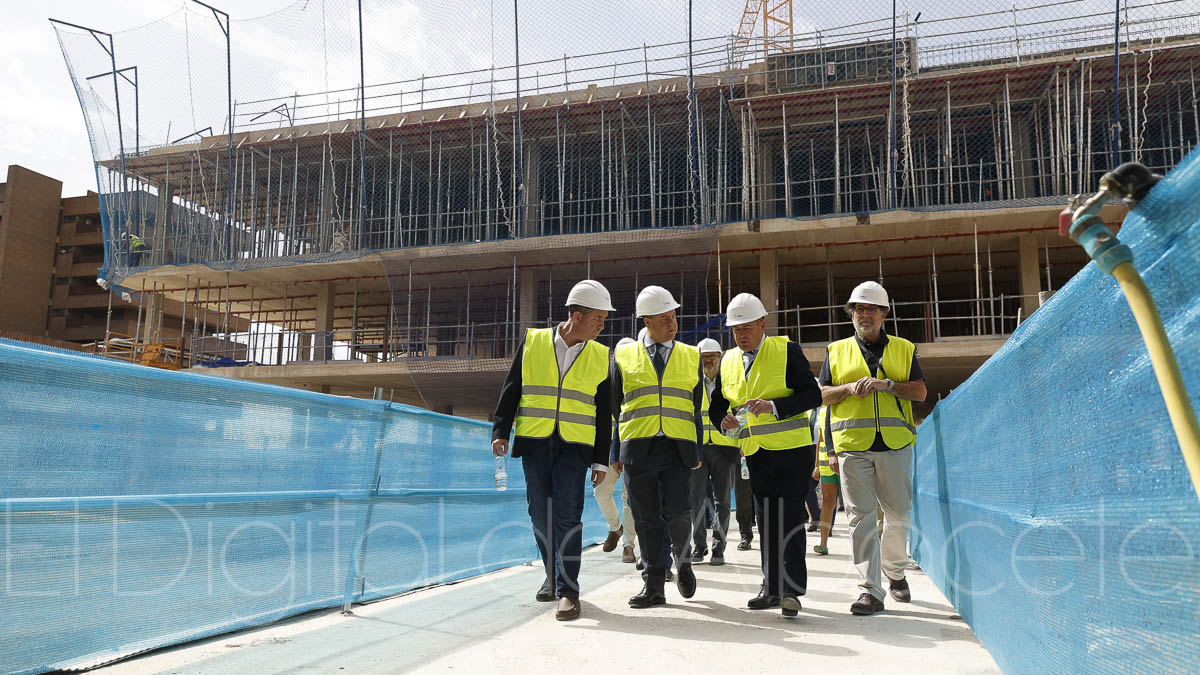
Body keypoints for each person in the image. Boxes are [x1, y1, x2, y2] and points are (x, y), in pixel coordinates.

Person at [491, 279, 615, 622]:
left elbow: (603, 413)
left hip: (575, 447)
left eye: (604, 319)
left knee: (567, 516)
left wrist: (600, 459)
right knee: (538, 515)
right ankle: (553, 574)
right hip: (534, 442)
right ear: (576, 315)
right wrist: (500, 429)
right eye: (597, 319)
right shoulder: (534, 341)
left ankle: (569, 592)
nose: (602, 326)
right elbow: (512, 387)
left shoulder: (601, 355)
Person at [708, 293, 821, 618]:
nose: (741, 334)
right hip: (755, 453)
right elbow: (718, 403)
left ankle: (791, 591)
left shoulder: (786, 350)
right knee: (766, 522)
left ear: (762, 324)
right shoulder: (727, 360)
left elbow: (812, 394)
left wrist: (774, 407)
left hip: (792, 452)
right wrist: (722, 419)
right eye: (735, 329)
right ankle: (770, 587)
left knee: (788, 520)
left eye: (747, 327)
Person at [819, 281, 927, 616]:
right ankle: (870, 590)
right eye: (859, 309)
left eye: (871, 309)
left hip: (895, 445)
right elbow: (821, 396)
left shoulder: (904, 349)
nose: (864, 314)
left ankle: (894, 571)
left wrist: (889, 386)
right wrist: (849, 389)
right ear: (852, 314)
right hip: (853, 446)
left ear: (884, 314)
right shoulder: (835, 352)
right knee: (860, 518)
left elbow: (921, 393)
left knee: (898, 516)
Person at [611, 286, 703, 608]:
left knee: (678, 512)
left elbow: (696, 408)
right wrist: (615, 454)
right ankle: (653, 585)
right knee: (646, 518)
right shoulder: (623, 356)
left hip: (678, 448)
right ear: (646, 321)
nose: (672, 323)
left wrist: (697, 452)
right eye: (664, 318)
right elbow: (616, 407)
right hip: (638, 448)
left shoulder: (692, 356)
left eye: (674, 316)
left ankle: (683, 559)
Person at [688, 337, 741, 566]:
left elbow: (742, 413)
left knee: (723, 502)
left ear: (720, 358)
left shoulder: (730, 381)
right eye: (704, 357)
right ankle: (700, 546)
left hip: (725, 448)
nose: (708, 360)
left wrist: (740, 442)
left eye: (712, 356)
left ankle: (719, 548)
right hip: (698, 450)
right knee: (696, 500)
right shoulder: (690, 382)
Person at [598, 337, 639, 564]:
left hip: (630, 447)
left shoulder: (637, 383)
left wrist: (619, 454)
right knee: (601, 492)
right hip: (609, 449)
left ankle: (629, 546)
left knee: (628, 498)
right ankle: (616, 528)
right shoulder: (606, 383)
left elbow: (623, 422)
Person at [810, 405, 839, 555]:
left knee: (854, 504)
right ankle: (823, 544)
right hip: (825, 461)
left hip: (846, 458)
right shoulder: (822, 411)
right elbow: (821, 438)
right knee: (828, 501)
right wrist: (817, 466)